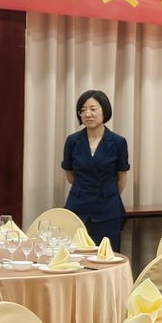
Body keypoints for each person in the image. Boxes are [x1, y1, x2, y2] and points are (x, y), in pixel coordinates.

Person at [61, 89, 130, 252]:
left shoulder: (118, 142)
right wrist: (86, 188)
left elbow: (121, 179)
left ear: (104, 111)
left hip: (108, 209)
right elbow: (70, 175)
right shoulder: (72, 141)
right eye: (83, 110)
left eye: (93, 109)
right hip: (78, 207)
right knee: (75, 255)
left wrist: (105, 193)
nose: (87, 114)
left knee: (106, 255)